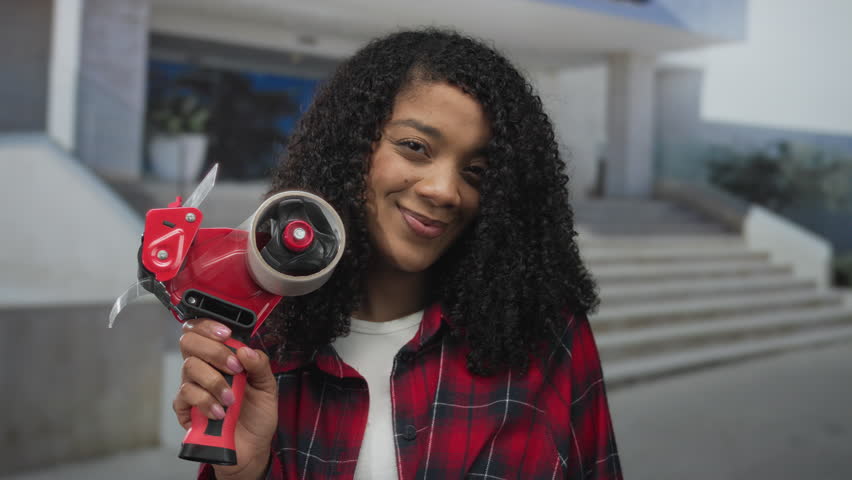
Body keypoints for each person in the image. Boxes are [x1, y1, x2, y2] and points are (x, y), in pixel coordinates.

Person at [174, 28, 623, 480]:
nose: (444, 191)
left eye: (476, 171)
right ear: (351, 145)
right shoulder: (265, 349)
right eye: (415, 147)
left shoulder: (545, 335)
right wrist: (245, 473)